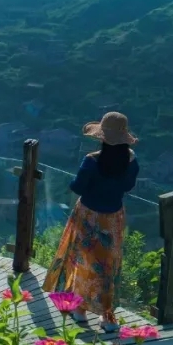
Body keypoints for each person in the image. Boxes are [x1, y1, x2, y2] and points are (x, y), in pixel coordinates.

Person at [43, 112, 139, 332]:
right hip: (113, 218)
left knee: (83, 261)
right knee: (108, 265)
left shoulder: (92, 160)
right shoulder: (131, 161)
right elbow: (127, 187)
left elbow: (77, 187)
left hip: (88, 215)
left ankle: (80, 310)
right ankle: (107, 317)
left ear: (103, 137)